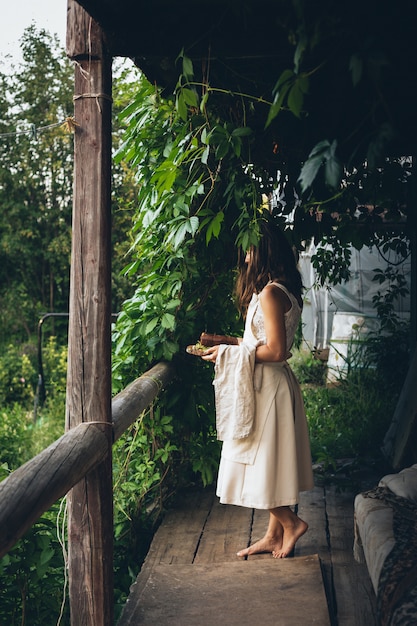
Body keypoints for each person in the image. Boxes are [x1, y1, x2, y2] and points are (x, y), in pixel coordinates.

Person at [201, 217, 314, 558]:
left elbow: (276, 351)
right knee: (271, 462)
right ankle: (273, 535)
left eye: (250, 249)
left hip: (267, 388)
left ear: (264, 250)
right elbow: (263, 342)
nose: (245, 257)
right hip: (273, 385)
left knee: (251, 461)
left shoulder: (268, 293)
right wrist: (228, 341)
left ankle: (291, 524)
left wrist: (229, 353)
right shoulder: (280, 289)